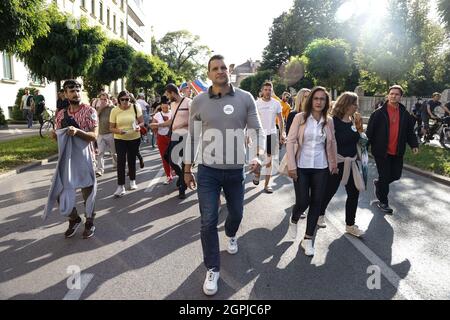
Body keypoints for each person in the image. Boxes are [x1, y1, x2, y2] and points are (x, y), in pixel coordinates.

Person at [184, 54, 265, 296]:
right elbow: (193, 137)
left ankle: (230, 234)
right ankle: (212, 268)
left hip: (235, 171)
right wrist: (187, 169)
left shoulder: (245, 98)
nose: (220, 71)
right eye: (214, 68)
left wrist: (258, 154)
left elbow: (257, 130)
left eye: (223, 68)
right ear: (208, 74)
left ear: (228, 71)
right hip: (208, 171)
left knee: (236, 214)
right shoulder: (198, 102)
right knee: (208, 220)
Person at [286, 86, 338, 257]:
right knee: (302, 201)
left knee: (317, 202)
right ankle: (294, 219)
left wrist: (334, 164)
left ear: (326, 102)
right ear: (311, 100)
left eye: (322, 99)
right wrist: (291, 165)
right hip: (301, 165)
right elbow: (290, 141)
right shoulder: (300, 117)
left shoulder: (329, 121)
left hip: (321, 167)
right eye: (316, 98)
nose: (318, 102)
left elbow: (332, 143)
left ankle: (308, 239)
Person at [53, 79, 99, 239]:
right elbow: (58, 136)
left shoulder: (90, 111)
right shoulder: (60, 114)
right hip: (67, 160)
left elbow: (94, 135)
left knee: (88, 193)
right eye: (71, 90)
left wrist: (77, 131)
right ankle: (74, 219)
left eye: (78, 90)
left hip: (86, 159)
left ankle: (89, 222)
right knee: (60, 192)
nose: (75, 93)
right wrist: (55, 135)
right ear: (65, 94)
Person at [318, 92, 366, 238]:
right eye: (354, 103)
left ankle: (350, 225)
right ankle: (319, 214)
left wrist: (360, 130)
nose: (356, 106)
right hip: (336, 163)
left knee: (354, 193)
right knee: (329, 191)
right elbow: (327, 142)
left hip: (351, 163)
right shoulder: (333, 121)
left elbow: (360, 139)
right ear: (345, 104)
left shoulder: (354, 120)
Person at [366, 85, 419, 214]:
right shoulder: (378, 113)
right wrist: (364, 148)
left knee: (395, 175)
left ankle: (379, 184)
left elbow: (409, 132)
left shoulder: (405, 114)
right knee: (384, 177)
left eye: (396, 94)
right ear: (387, 95)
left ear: (401, 97)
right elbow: (369, 132)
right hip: (381, 151)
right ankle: (383, 202)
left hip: (397, 151)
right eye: (391, 93)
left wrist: (414, 145)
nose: (393, 96)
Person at [151, 83, 192, 199]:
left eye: (168, 95)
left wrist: (183, 123)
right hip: (175, 135)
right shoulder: (173, 104)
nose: (168, 97)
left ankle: (182, 189)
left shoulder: (189, 102)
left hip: (186, 136)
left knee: (185, 162)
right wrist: (158, 124)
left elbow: (195, 119)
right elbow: (171, 121)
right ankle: (182, 176)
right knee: (167, 157)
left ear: (173, 93)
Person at [109, 90, 144, 197]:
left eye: (127, 99)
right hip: (120, 138)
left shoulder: (135, 107)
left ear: (130, 99)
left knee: (131, 159)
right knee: (120, 161)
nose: (125, 101)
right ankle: (120, 186)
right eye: (122, 99)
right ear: (119, 100)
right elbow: (111, 128)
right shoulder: (114, 110)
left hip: (134, 137)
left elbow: (142, 122)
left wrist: (139, 126)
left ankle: (132, 180)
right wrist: (119, 131)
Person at [254, 81, 285, 193]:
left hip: (271, 134)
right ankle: (257, 174)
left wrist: (282, 133)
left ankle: (267, 185)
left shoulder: (276, 103)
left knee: (269, 161)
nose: (267, 92)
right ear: (262, 91)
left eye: (269, 90)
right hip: (259, 135)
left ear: (272, 91)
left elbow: (281, 120)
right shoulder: (257, 103)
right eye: (265, 90)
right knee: (258, 159)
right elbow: (251, 120)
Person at [152, 96, 173, 184]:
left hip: (172, 137)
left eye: (166, 107)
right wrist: (155, 131)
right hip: (161, 138)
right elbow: (153, 125)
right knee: (164, 158)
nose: (164, 109)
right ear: (160, 106)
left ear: (169, 106)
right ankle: (168, 176)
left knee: (173, 157)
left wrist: (159, 125)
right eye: (163, 107)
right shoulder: (157, 114)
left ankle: (174, 170)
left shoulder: (172, 113)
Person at [95, 93, 117, 177]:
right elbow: (94, 118)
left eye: (105, 99)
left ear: (108, 99)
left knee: (113, 152)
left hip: (110, 133)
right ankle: (100, 170)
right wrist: (100, 109)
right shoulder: (98, 108)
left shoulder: (112, 108)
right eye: (102, 99)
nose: (103, 101)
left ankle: (116, 164)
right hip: (100, 134)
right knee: (100, 153)